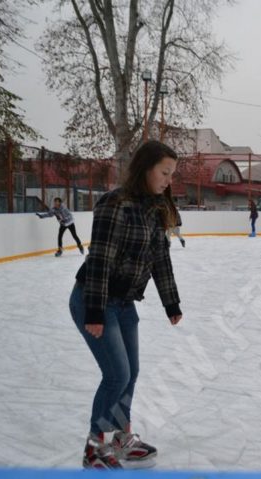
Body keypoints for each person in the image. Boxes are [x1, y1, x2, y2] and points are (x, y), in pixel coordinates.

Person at [69, 140, 183, 469]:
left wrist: (171, 302)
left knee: (130, 374)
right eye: (164, 172)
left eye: (171, 174)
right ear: (145, 168)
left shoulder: (154, 208)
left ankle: (121, 437)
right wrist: (94, 312)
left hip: (123, 304)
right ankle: (95, 449)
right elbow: (100, 259)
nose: (168, 180)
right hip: (95, 297)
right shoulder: (114, 203)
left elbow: (161, 259)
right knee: (117, 374)